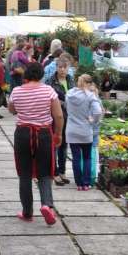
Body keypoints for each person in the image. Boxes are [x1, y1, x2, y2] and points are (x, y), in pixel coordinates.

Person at [9, 62, 64, 225]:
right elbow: (59, 116)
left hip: (23, 133)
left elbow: (12, 110)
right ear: (41, 75)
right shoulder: (48, 91)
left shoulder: (16, 91)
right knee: (45, 171)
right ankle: (47, 205)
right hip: (44, 133)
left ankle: (27, 212)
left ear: (26, 75)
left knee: (24, 173)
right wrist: (59, 134)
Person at [66, 75, 104, 191]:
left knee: (76, 158)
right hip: (85, 130)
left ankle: (79, 184)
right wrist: (93, 120)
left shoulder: (70, 94)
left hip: (72, 130)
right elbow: (98, 111)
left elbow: (65, 107)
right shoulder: (90, 96)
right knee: (87, 158)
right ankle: (86, 183)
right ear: (88, 84)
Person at [46, 53, 75, 185]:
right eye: (60, 67)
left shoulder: (71, 80)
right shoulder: (50, 82)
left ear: (68, 68)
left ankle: (62, 171)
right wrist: (65, 103)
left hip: (69, 117)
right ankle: (54, 172)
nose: (62, 69)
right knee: (54, 145)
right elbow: (51, 101)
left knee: (64, 146)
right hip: (55, 117)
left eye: (65, 67)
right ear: (56, 67)